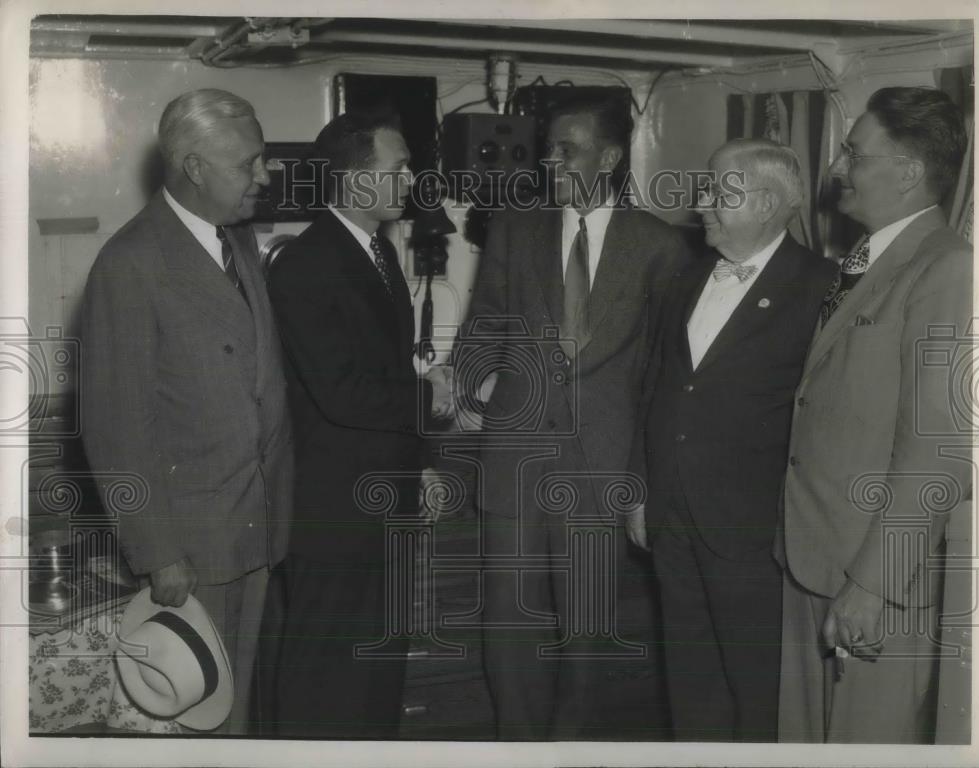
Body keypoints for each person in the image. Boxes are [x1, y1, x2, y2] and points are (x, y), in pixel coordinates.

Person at [453, 98, 692, 739]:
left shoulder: (661, 247)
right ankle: (517, 746)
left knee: (586, 626)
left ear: (610, 158)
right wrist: (470, 387)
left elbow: (663, 376)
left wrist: (644, 477)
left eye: (569, 149)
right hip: (514, 457)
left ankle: (568, 747)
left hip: (602, 462)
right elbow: (483, 324)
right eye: (550, 148)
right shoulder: (514, 226)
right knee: (509, 623)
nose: (552, 160)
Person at [79, 88, 294, 735]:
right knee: (202, 726)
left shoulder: (240, 243)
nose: (266, 174)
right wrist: (158, 550)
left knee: (244, 713)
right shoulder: (131, 262)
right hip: (194, 546)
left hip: (257, 526)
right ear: (194, 168)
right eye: (249, 163)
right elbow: (115, 425)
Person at [775, 86, 972, 743]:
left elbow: (938, 452)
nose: (837, 168)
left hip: (876, 578)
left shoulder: (947, 269)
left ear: (909, 172)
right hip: (812, 557)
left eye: (856, 154)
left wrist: (872, 586)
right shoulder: (866, 260)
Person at [625, 139, 836, 741]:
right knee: (690, 679)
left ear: (766, 203)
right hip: (672, 514)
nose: (701, 203)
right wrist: (641, 489)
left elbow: (824, 418)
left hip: (754, 527)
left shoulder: (822, 287)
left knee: (757, 687)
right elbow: (657, 389)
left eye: (719, 191)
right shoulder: (687, 278)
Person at [264, 112, 446, 738]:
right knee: (324, 678)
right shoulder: (307, 263)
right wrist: (432, 398)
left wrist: (419, 461)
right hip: (333, 513)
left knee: (377, 670)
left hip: (381, 501)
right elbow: (343, 394)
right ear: (354, 180)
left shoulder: (377, 253)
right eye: (398, 168)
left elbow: (385, 369)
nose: (412, 178)